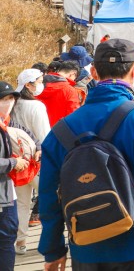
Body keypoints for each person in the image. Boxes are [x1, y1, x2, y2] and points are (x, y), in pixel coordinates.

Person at [38, 38, 134, 270]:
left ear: (93, 72)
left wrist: (53, 250)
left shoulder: (61, 131)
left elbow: (48, 196)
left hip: (85, 241)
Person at [12, 69, 49, 254]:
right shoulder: (37, 107)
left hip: (18, 161)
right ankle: (51, 241)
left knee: (22, 203)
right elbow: (45, 136)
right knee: (50, 200)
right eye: (40, 81)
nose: (42, 84)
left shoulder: (12, 103)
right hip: (37, 161)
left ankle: (20, 242)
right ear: (29, 84)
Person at [0, 81, 29, 267]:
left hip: (7, 191)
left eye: (11, 98)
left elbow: (26, 133)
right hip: (2, 196)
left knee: (7, 237)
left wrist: (38, 148)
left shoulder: (6, 122)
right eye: (3, 99)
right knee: (5, 240)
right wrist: (13, 162)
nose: (8, 103)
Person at [37, 60, 82, 127]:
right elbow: (73, 117)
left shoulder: (37, 84)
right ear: (73, 74)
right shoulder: (70, 91)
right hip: (57, 133)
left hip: (33, 131)